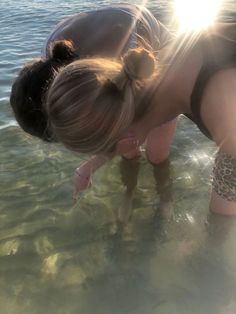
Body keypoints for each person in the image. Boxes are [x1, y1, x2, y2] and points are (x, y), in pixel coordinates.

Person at [10, 4, 236, 215]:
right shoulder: (173, 59)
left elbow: (223, 215)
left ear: (125, 137)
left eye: (105, 150)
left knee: (159, 156)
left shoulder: (225, 119)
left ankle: (160, 202)